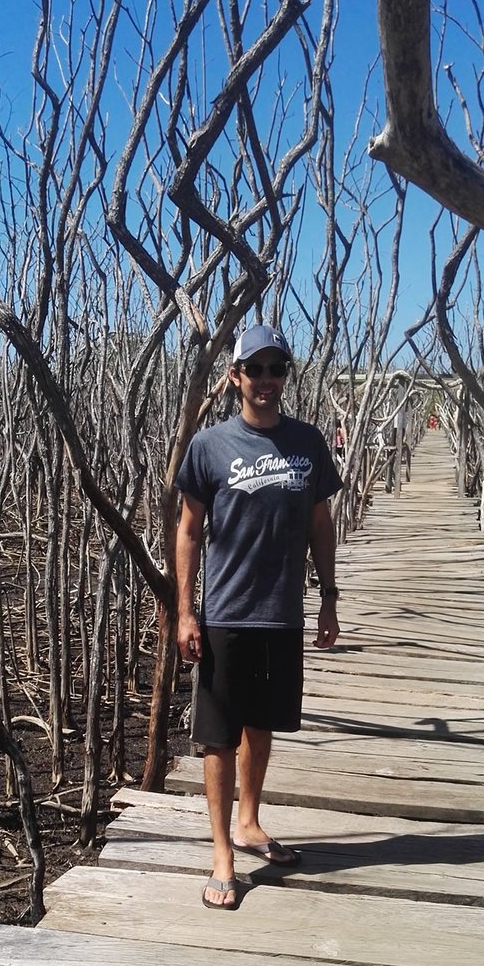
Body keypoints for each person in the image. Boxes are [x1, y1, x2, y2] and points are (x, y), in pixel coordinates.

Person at [175, 324, 343, 910]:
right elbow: (189, 529)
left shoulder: (308, 443)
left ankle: (249, 822)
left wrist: (328, 596)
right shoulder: (210, 446)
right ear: (235, 377)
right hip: (225, 611)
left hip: (282, 613)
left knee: (262, 724)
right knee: (218, 738)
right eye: (256, 369)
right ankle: (222, 853)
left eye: (278, 369)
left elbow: (320, 523)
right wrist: (185, 611)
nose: (267, 380)